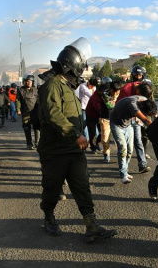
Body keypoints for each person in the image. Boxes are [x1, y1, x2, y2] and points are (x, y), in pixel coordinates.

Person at [37, 37, 117, 241]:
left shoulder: (68, 87)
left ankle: (91, 225)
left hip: (73, 150)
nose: (82, 69)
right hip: (55, 151)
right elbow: (53, 113)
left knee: (82, 187)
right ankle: (48, 217)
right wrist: (76, 134)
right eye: (80, 65)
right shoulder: (52, 85)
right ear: (72, 65)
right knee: (52, 188)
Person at [110, 95, 158, 184]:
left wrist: (156, 115)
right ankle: (123, 174)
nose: (146, 115)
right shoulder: (133, 105)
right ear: (142, 107)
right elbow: (145, 121)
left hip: (128, 124)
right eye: (145, 113)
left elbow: (153, 109)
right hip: (116, 124)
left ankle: (125, 169)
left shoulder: (145, 100)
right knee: (123, 149)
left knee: (130, 150)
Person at [116, 65, 153, 173]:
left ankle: (142, 164)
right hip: (124, 117)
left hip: (137, 117)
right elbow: (122, 105)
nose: (138, 77)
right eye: (136, 75)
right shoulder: (126, 89)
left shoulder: (146, 88)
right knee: (126, 145)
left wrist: (149, 115)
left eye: (140, 75)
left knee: (138, 140)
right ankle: (123, 166)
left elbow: (148, 103)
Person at [99, 78, 123, 163]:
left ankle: (122, 157)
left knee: (119, 139)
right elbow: (110, 106)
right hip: (106, 118)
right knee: (105, 138)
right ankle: (106, 154)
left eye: (118, 91)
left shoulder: (121, 92)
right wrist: (115, 97)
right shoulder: (105, 93)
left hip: (118, 118)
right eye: (115, 91)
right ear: (110, 89)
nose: (117, 93)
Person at [17, 74, 40, 149]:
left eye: (29, 81)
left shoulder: (36, 90)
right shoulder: (21, 90)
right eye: (26, 81)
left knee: (37, 127)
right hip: (25, 111)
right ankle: (29, 143)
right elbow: (18, 101)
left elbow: (39, 100)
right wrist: (18, 109)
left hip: (35, 111)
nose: (28, 83)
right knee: (26, 128)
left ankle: (37, 142)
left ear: (32, 82)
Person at [78, 77, 98, 142]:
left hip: (91, 108)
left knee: (94, 123)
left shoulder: (93, 87)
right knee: (85, 124)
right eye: (91, 86)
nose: (92, 87)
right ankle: (87, 139)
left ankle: (97, 138)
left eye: (93, 86)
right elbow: (90, 95)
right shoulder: (82, 86)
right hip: (84, 108)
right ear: (88, 83)